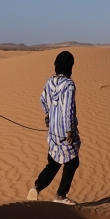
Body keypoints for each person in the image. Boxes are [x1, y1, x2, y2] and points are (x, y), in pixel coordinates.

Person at [28, 50, 80, 205]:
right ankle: (60, 195)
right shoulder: (69, 84)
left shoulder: (50, 82)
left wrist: (48, 116)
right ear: (69, 67)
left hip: (53, 130)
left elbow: (43, 99)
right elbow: (68, 109)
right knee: (72, 161)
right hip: (65, 130)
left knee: (54, 161)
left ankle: (37, 186)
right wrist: (70, 130)